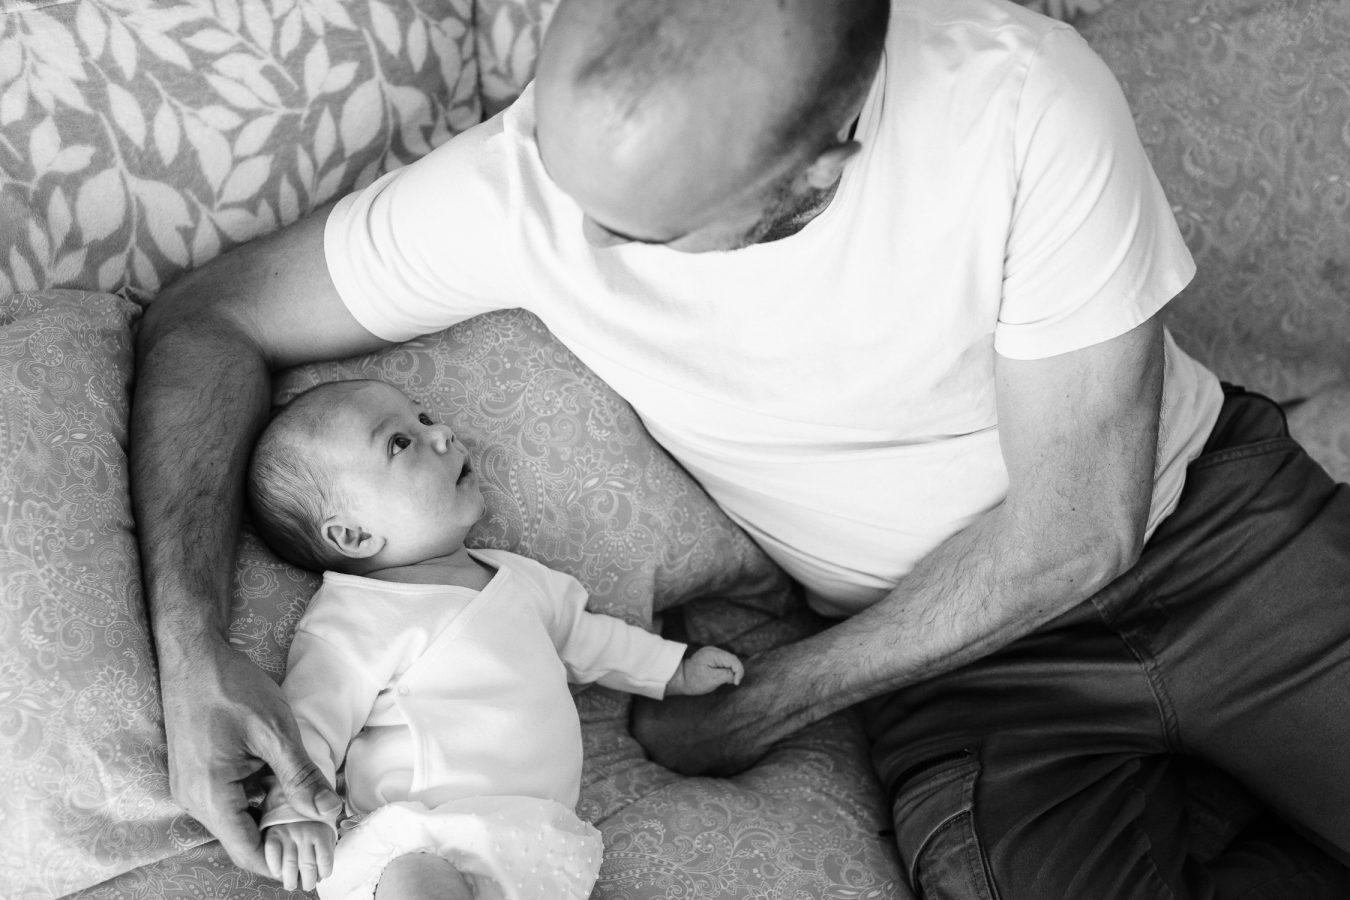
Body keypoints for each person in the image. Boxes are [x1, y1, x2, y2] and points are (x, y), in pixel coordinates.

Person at [130, 0, 1350, 895]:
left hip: (1217, 536)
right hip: (953, 670)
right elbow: (210, 319)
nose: (570, 236)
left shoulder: (1024, 100)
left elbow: (1076, 534)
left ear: (818, 174)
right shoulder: (527, 186)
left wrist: (762, 706)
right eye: (557, 167)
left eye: (637, 233)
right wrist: (193, 655)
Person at [245, 378, 744, 898]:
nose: (442, 433)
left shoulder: (519, 578)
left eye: (424, 417)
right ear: (354, 535)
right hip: (422, 837)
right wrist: (293, 811)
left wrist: (670, 668)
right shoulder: (357, 615)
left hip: (533, 843)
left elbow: (588, 638)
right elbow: (309, 722)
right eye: (400, 442)